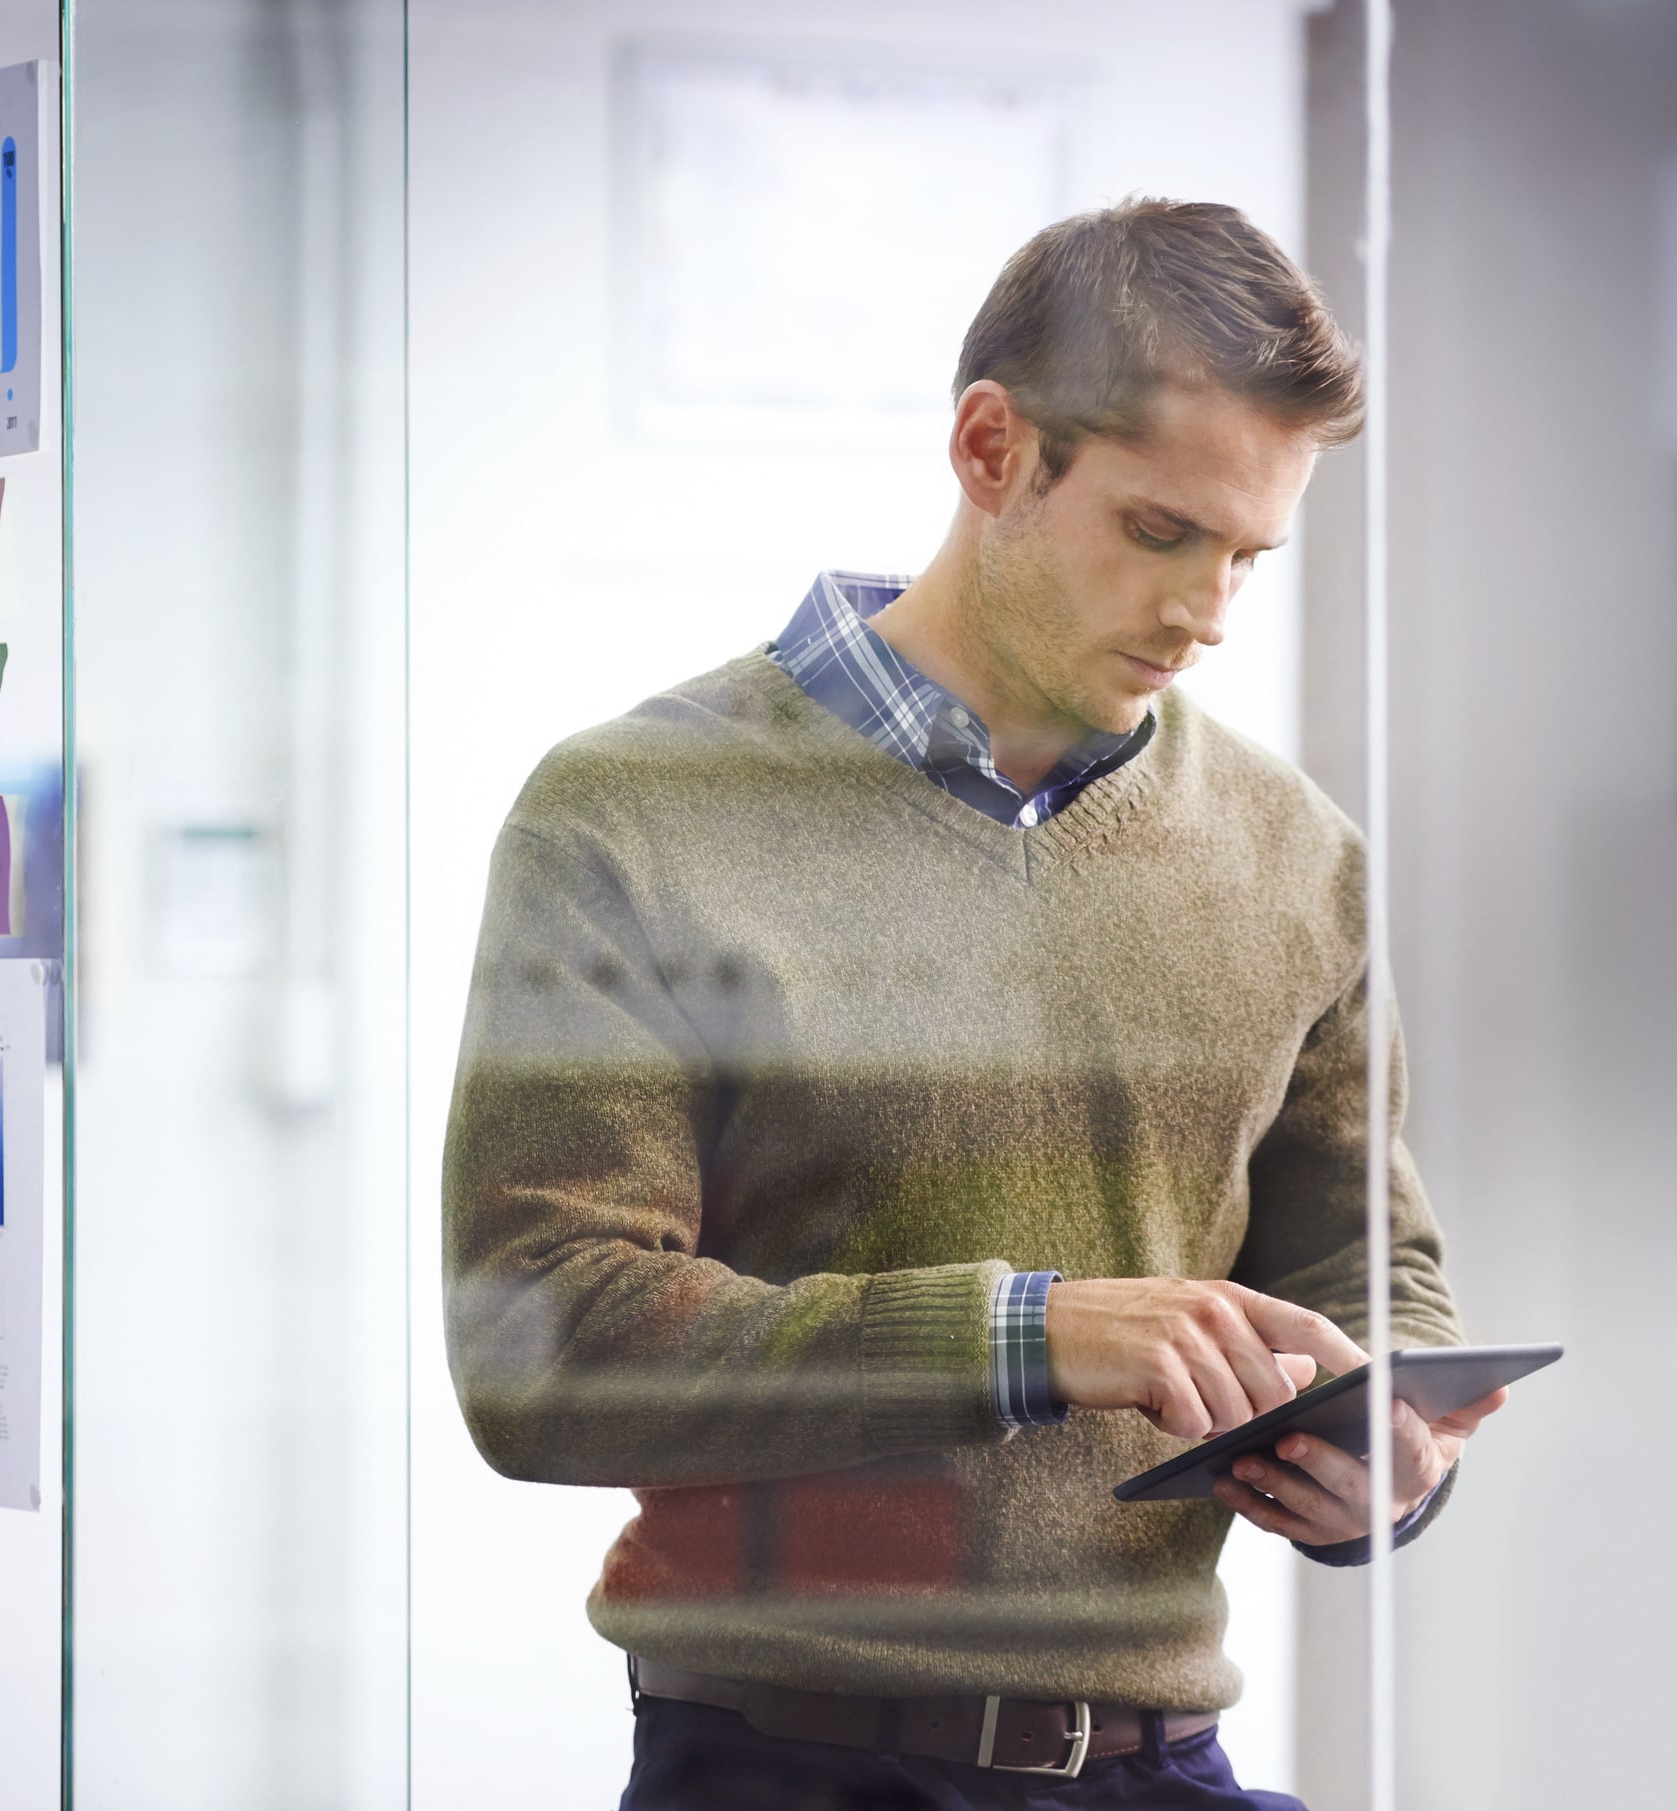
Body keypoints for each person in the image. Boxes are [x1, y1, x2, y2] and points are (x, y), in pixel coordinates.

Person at [441, 199, 1507, 1811]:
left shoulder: (1298, 856)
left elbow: (1366, 1269)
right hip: (784, 1768)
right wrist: (1023, 1336)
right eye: (1162, 533)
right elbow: (541, 1349)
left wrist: (1387, 1458)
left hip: (1170, 1766)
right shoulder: (631, 811)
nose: (1207, 614)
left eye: (1247, 555)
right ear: (992, 450)